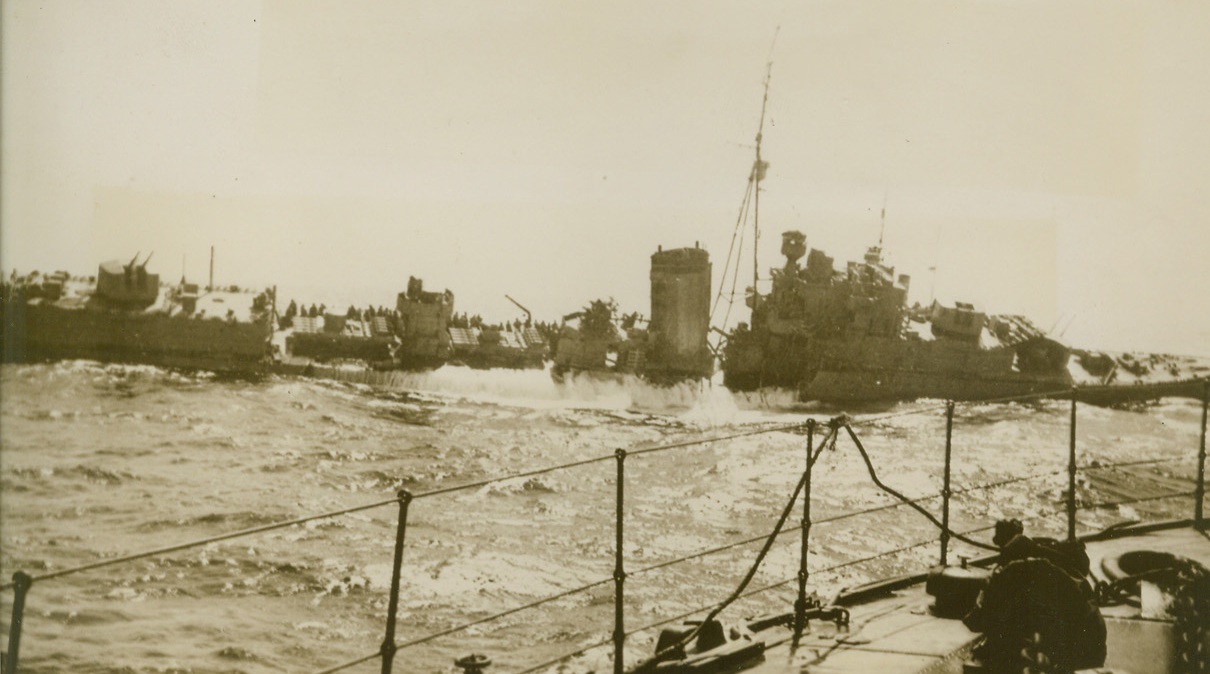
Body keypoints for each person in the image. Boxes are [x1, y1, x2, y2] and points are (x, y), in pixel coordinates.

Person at [963, 520, 1106, 672]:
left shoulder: (1018, 572)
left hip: (1076, 650)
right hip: (1092, 646)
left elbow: (977, 620)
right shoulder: (1066, 577)